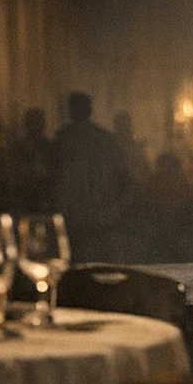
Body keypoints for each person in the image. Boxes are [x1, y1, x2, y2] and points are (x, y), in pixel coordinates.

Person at [51, 93, 129, 262]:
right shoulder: (101, 138)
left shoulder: (64, 138)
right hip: (96, 214)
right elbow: (122, 175)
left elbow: (121, 175)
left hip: (82, 215)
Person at [10, 107, 53, 212]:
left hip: (42, 192)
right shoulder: (18, 147)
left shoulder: (48, 147)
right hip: (25, 193)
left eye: (38, 123)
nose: (36, 128)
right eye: (33, 123)